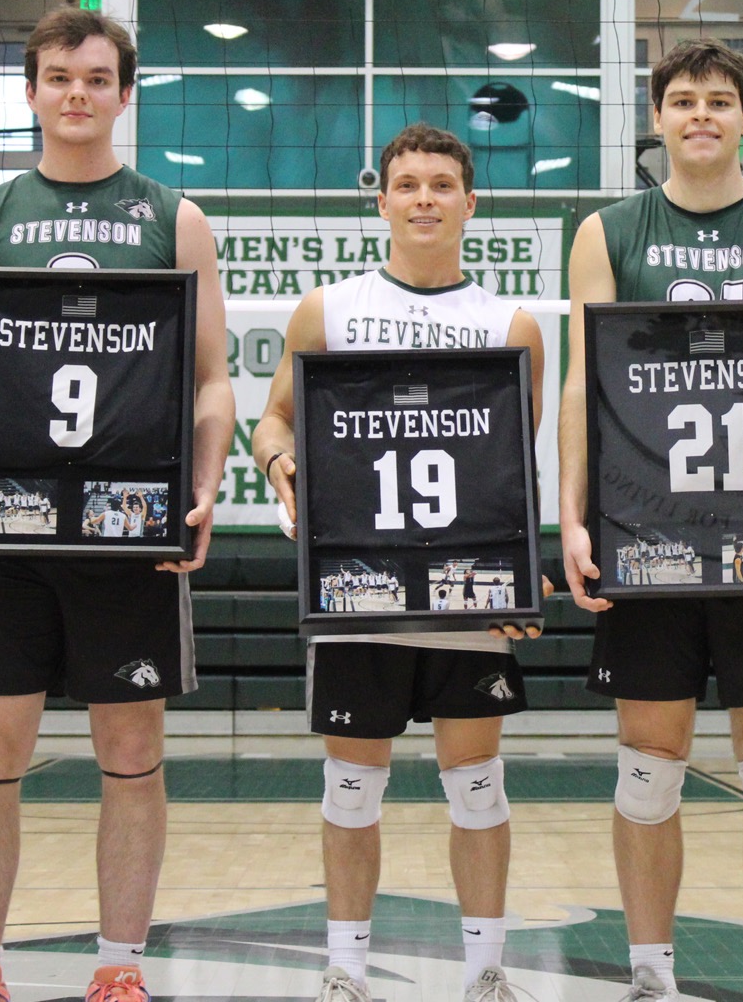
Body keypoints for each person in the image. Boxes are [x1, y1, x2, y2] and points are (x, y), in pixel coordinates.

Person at [0, 8, 233, 1002]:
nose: (76, 94)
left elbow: (211, 376)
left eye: (97, 79)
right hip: (7, 521)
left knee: (132, 748)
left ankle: (122, 965)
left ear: (123, 93)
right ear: (30, 91)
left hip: (125, 525)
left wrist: (205, 481)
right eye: (59, 77)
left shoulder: (171, 217)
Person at [558, 38, 743, 1002]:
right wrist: (571, 520)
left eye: (719, 101)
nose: (701, 115)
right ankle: (651, 978)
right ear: (657, 119)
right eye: (683, 100)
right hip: (646, 536)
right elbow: (582, 388)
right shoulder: (610, 231)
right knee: (648, 772)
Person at [251, 122, 549, 1002]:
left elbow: (510, 476)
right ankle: (346, 973)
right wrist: (279, 462)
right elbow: (273, 419)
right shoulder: (327, 309)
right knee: (351, 791)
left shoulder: (511, 324)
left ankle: (486, 971)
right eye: (407, 183)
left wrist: (519, 579)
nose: (424, 198)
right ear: (380, 200)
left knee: (479, 793)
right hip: (358, 592)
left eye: (441, 184)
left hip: (466, 597)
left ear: (469, 202)